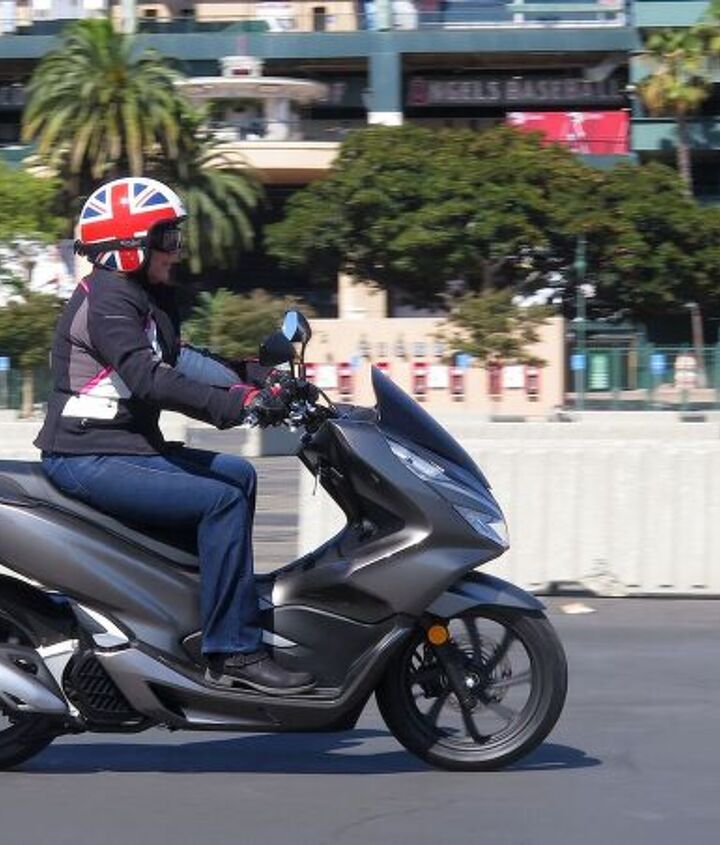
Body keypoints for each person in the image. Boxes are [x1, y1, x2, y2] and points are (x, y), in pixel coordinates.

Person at [35, 176, 315, 696]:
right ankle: (233, 650)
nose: (176, 250)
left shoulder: (143, 296)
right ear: (127, 246)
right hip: (86, 456)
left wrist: (256, 378)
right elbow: (150, 378)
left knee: (240, 475)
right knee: (220, 500)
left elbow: (180, 359)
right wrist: (238, 406)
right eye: (166, 238)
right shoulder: (108, 300)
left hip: (122, 448)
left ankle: (200, 614)